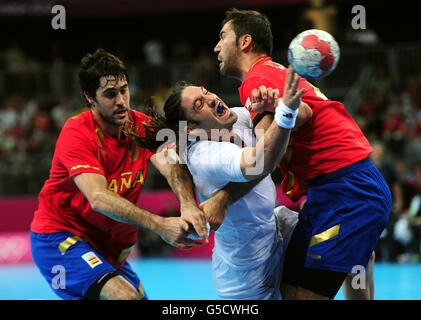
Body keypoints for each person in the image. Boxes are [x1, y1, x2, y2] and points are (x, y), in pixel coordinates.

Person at [213, 8, 392, 300]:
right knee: (290, 288)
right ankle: (359, 255)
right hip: (331, 193)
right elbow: (300, 115)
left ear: (245, 41)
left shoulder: (256, 80)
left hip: (348, 192)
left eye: (223, 37)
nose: (217, 46)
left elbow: (266, 155)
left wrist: (223, 196)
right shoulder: (276, 72)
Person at [30, 49, 209, 300]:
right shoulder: (77, 133)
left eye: (124, 90)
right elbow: (99, 198)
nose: (122, 100)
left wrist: (188, 204)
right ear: (90, 97)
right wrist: (160, 225)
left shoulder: (140, 126)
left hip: (109, 250)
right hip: (61, 238)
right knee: (124, 297)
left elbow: (172, 165)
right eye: (110, 94)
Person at [128, 67, 308, 299]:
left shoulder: (236, 116)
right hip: (247, 274)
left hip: (275, 233)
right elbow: (259, 163)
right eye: (199, 104)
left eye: (206, 92)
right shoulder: (206, 155)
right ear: (191, 129)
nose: (212, 99)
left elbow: (304, 114)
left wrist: (272, 104)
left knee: (343, 231)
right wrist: (283, 111)